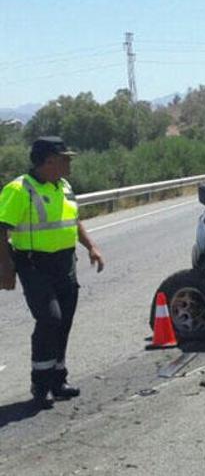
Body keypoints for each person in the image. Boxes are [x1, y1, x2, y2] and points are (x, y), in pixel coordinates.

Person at [0, 136, 105, 408]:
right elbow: (2, 230)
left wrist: (91, 246)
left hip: (64, 263)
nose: (69, 163)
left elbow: (73, 220)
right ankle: (41, 381)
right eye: (65, 159)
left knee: (64, 321)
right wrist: (6, 267)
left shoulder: (64, 186)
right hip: (34, 265)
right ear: (48, 161)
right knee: (49, 319)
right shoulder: (19, 189)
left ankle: (58, 379)